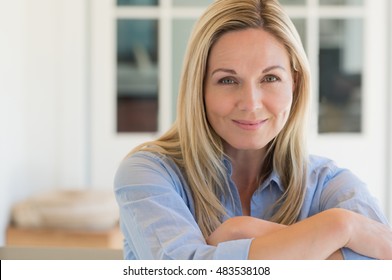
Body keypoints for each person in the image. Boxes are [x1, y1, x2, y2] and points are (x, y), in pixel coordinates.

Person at [114, 0, 392, 260]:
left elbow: (380, 262)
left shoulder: (330, 184)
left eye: (270, 78)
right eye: (227, 80)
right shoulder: (148, 174)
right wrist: (339, 229)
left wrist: (239, 232)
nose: (250, 103)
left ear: (294, 83)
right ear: (199, 87)